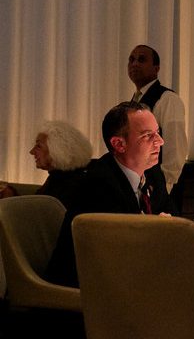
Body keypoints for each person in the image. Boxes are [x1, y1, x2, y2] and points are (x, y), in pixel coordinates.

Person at [46, 102, 175, 287]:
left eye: (158, 132)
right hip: (87, 288)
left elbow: (174, 219)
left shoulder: (153, 174)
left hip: (130, 277)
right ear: (119, 144)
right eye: (148, 135)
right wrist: (157, 229)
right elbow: (120, 248)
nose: (160, 141)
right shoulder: (98, 184)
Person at [128, 44, 188, 194]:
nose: (134, 64)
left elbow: (175, 149)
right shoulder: (135, 100)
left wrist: (164, 188)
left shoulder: (168, 99)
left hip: (158, 189)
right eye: (132, 59)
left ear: (156, 68)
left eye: (142, 59)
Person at [29, 121, 92, 210]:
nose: (32, 152)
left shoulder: (72, 186)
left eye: (38, 146)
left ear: (59, 150)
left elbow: (37, 211)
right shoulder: (57, 178)